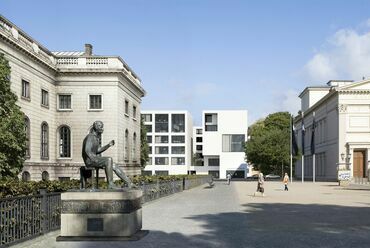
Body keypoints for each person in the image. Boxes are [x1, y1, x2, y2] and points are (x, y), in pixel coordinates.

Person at [82, 121, 134, 189]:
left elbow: (97, 150)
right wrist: (94, 159)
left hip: (94, 159)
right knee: (109, 159)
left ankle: (129, 183)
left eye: (102, 126)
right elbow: (87, 150)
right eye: (100, 126)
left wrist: (108, 145)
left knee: (113, 164)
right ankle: (110, 184)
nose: (102, 128)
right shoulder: (90, 137)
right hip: (89, 161)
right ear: (95, 127)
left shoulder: (96, 138)